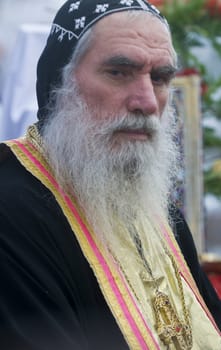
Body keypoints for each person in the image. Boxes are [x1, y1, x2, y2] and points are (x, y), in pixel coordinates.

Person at [0, 1, 220, 349]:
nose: (147, 101)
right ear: (60, 84)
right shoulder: (10, 210)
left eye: (161, 78)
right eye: (119, 72)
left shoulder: (157, 209)